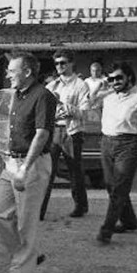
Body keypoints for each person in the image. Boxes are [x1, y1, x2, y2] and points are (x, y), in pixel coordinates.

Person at [0, 52, 56, 273]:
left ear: (27, 72)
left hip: (32, 163)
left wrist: (25, 168)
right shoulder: (17, 95)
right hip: (12, 162)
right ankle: (28, 255)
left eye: (11, 71)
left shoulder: (43, 96)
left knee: (26, 222)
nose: (8, 75)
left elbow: (42, 134)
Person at [96, 62, 137, 244]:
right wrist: (100, 86)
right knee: (110, 185)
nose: (114, 81)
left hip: (128, 144)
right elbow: (89, 102)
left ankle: (106, 230)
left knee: (119, 188)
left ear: (129, 77)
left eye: (118, 78)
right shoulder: (108, 98)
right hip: (107, 143)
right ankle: (129, 221)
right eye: (111, 78)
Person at [40, 50, 91, 221]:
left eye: (63, 63)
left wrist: (65, 106)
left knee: (75, 171)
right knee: (47, 170)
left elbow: (85, 112)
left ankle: (80, 205)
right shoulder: (52, 85)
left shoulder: (81, 85)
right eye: (57, 63)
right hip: (54, 130)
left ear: (71, 64)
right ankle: (40, 209)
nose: (60, 67)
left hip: (72, 132)